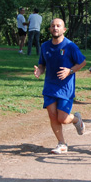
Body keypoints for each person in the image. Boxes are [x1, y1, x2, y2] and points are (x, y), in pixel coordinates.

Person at [33, 18, 87, 154]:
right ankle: (62, 144)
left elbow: (82, 62)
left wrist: (70, 71)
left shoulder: (70, 46)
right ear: (50, 29)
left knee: (62, 118)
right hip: (50, 86)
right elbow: (42, 64)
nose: (55, 28)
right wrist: (39, 70)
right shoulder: (45, 46)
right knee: (52, 116)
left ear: (64, 30)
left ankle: (76, 119)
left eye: (58, 26)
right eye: (53, 26)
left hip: (65, 88)